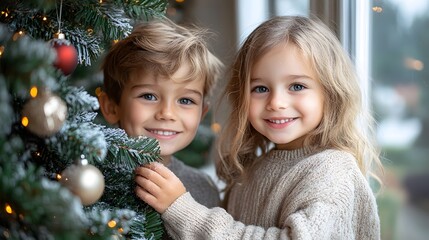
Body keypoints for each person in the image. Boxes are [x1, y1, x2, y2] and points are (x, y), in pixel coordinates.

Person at [135, 15, 383, 239]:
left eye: (297, 86)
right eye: (261, 89)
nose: (276, 103)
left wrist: (183, 209)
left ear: (330, 93)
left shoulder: (332, 170)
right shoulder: (252, 171)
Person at [98, 17, 223, 212]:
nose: (167, 113)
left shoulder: (204, 189)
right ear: (112, 107)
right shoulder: (90, 179)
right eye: (148, 96)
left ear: (201, 114)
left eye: (185, 100)